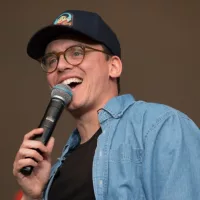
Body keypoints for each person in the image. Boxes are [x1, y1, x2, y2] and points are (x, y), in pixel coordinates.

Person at [13, 10, 200, 200]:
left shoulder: (161, 126)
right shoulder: (53, 174)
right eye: (52, 60)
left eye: (77, 52)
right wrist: (32, 195)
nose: (60, 66)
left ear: (114, 67)